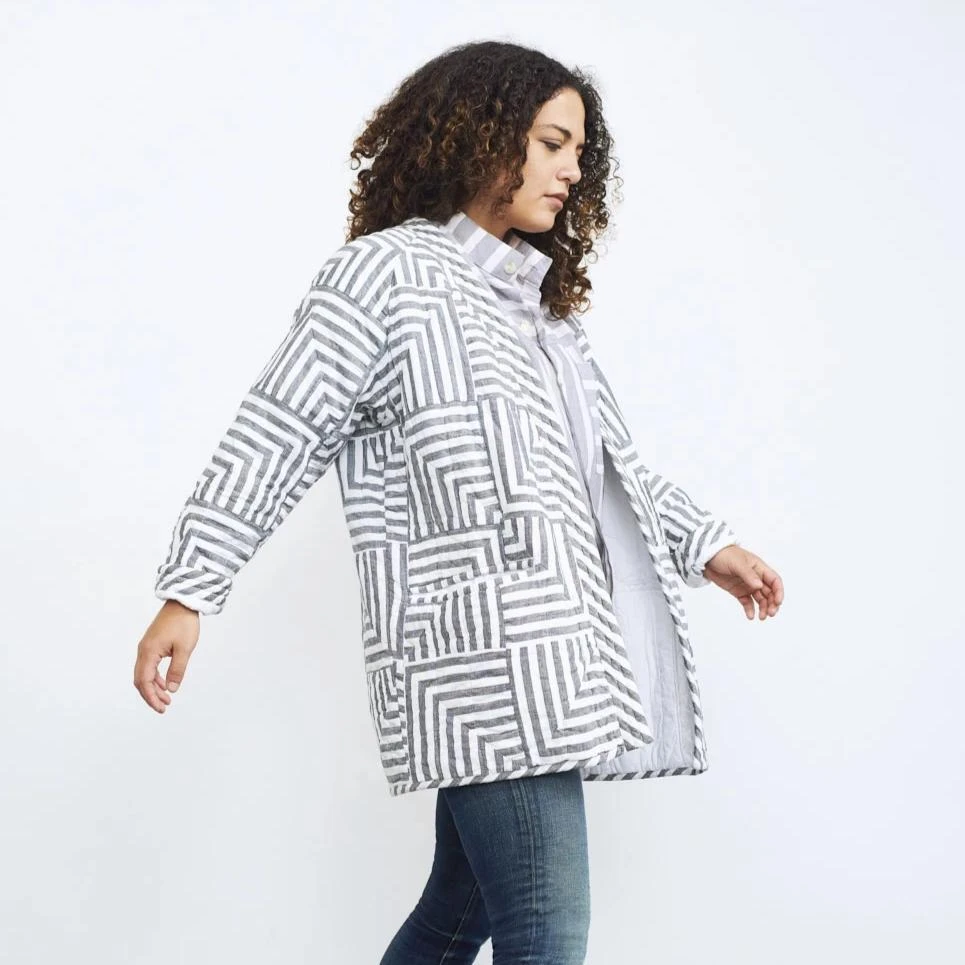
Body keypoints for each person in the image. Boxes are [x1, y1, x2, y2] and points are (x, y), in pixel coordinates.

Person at [133, 39, 784, 965]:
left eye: (579, 152)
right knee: (546, 929)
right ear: (480, 133)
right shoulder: (384, 275)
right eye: (551, 143)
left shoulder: (538, 309)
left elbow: (605, 464)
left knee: (454, 917)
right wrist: (190, 588)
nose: (571, 170)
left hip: (556, 653)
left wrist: (706, 544)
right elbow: (277, 428)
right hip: (480, 659)